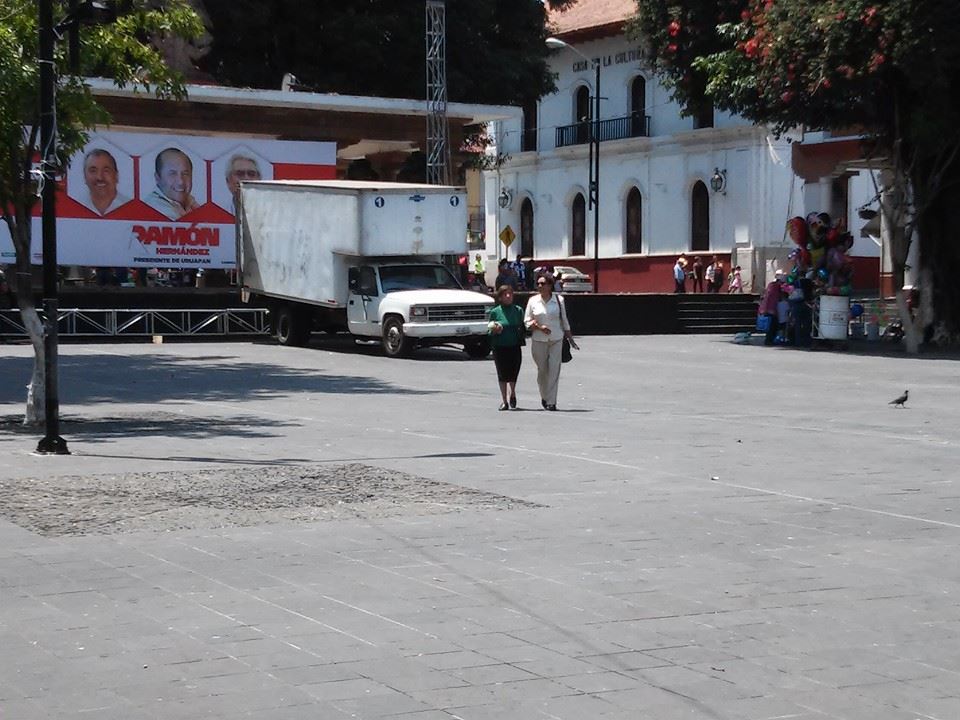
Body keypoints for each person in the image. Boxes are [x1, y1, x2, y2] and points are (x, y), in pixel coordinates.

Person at [524, 274, 578, 411]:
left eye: (543, 283)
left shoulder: (559, 300)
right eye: (539, 283)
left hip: (556, 339)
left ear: (550, 286)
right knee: (542, 371)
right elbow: (526, 321)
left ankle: (552, 401)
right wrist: (538, 327)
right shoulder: (533, 301)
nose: (540, 286)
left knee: (554, 370)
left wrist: (570, 339)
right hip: (538, 340)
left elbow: (564, 320)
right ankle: (545, 395)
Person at [488, 285, 526, 410]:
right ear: (500, 297)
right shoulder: (495, 311)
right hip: (500, 346)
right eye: (505, 294)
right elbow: (489, 329)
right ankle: (504, 400)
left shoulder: (518, 310)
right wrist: (495, 330)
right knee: (502, 373)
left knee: (513, 372)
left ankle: (512, 393)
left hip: (514, 345)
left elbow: (523, 326)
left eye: (510, 294)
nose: (508, 296)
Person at [144, 147, 200, 220]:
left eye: (185, 174)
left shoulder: (190, 202)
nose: (181, 181)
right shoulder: (154, 210)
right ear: (158, 178)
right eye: (172, 174)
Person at [82, 149, 130, 216]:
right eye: (93, 171)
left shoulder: (131, 207)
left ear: (116, 176)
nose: (99, 177)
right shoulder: (75, 207)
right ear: (84, 176)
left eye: (106, 171)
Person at [759, 269, 784, 345]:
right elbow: (778, 297)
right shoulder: (777, 287)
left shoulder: (771, 285)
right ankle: (769, 340)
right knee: (773, 325)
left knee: (770, 325)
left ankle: (769, 339)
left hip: (767, 307)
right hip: (772, 308)